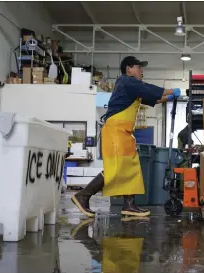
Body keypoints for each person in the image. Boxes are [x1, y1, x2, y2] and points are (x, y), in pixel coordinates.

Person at [71, 56, 181, 218]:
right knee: (116, 170)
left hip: (125, 133)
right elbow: (150, 89)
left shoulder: (132, 88)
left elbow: (153, 98)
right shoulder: (126, 81)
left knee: (132, 168)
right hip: (115, 131)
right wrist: (172, 91)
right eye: (139, 67)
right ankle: (83, 196)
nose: (141, 71)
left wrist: (168, 98)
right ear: (129, 69)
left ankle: (129, 205)